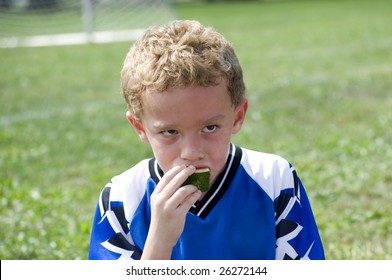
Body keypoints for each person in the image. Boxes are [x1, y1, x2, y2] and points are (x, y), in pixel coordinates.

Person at [88, 19, 325, 260]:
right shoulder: (121, 199)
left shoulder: (275, 180)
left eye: (210, 127)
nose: (191, 152)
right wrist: (160, 241)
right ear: (140, 128)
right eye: (170, 132)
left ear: (237, 116)